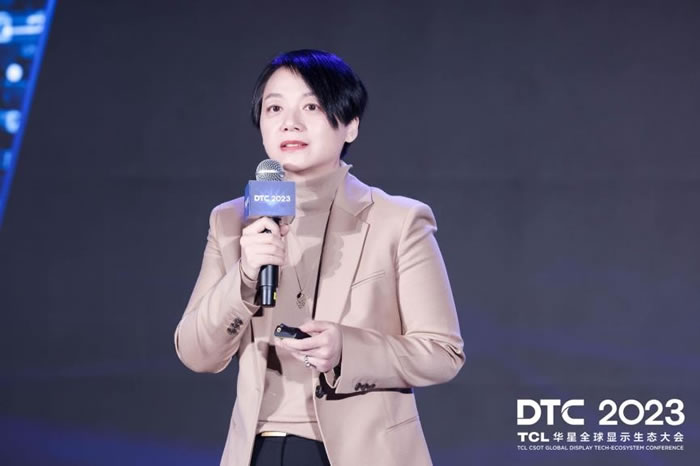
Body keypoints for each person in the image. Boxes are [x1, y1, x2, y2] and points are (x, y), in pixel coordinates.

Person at [174, 49, 465, 466]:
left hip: (364, 454)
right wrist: (245, 275)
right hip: (257, 451)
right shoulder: (231, 221)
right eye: (275, 108)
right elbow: (196, 353)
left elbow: (442, 353)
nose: (290, 122)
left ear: (350, 125)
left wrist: (347, 350)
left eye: (311, 106)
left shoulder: (398, 221)